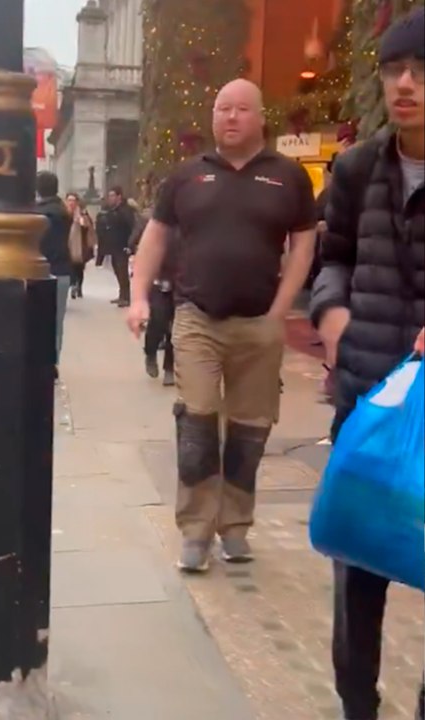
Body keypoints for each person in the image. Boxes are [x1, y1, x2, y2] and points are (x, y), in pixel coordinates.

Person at [128, 78, 317, 573]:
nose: (230, 117)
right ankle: (195, 531)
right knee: (196, 423)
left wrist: (280, 311)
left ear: (259, 117)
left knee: (250, 432)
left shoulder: (288, 177)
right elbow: (156, 236)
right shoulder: (187, 177)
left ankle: (235, 526)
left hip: (259, 324)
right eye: (221, 108)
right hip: (197, 321)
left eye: (240, 109)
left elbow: (303, 244)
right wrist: (139, 297)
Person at [310, 9, 425, 719]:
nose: (404, 85)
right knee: (357, 569)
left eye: (419, 71)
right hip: (369, 394)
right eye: (392, 70)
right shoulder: (355, 168)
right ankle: (357, 705)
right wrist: (331, 316)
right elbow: (335, 256)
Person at [130, 203, 177, 386]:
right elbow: (135, 243)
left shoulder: (189, 222)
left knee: (176, 328)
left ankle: (170, 368)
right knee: (158, 321)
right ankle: (150, 352)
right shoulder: (151, 223)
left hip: (181, 281)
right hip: (157, 280)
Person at [34, 172, 74, 375]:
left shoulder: (38, 213)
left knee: (36, 319)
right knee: (57, 320)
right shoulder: (64, 212)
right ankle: (52, 361)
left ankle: (38, 359)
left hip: (40, 270)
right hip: (62, 270)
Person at [97, 186, 137, 307]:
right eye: (109, 196)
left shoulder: (126, 210)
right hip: (114, 246)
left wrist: (130, 244)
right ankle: (122, 294)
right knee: (117, 270)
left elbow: (133, 227)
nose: (110, 198)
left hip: (123, 245)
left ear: (119, 196)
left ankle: (126, 297)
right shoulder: (112, 210)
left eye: (112, 195)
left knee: (122, 271)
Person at [65, 192, 96, 299]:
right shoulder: (64, 213)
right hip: (68, 244)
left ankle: (79, 287)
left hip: (80, 244)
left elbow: (88, 227)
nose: (71, 203)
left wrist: (81, 221)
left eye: (73, 200)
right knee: (71, 267)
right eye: (69, 200)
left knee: (79, 268)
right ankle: (73, 285)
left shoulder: (82, 214)